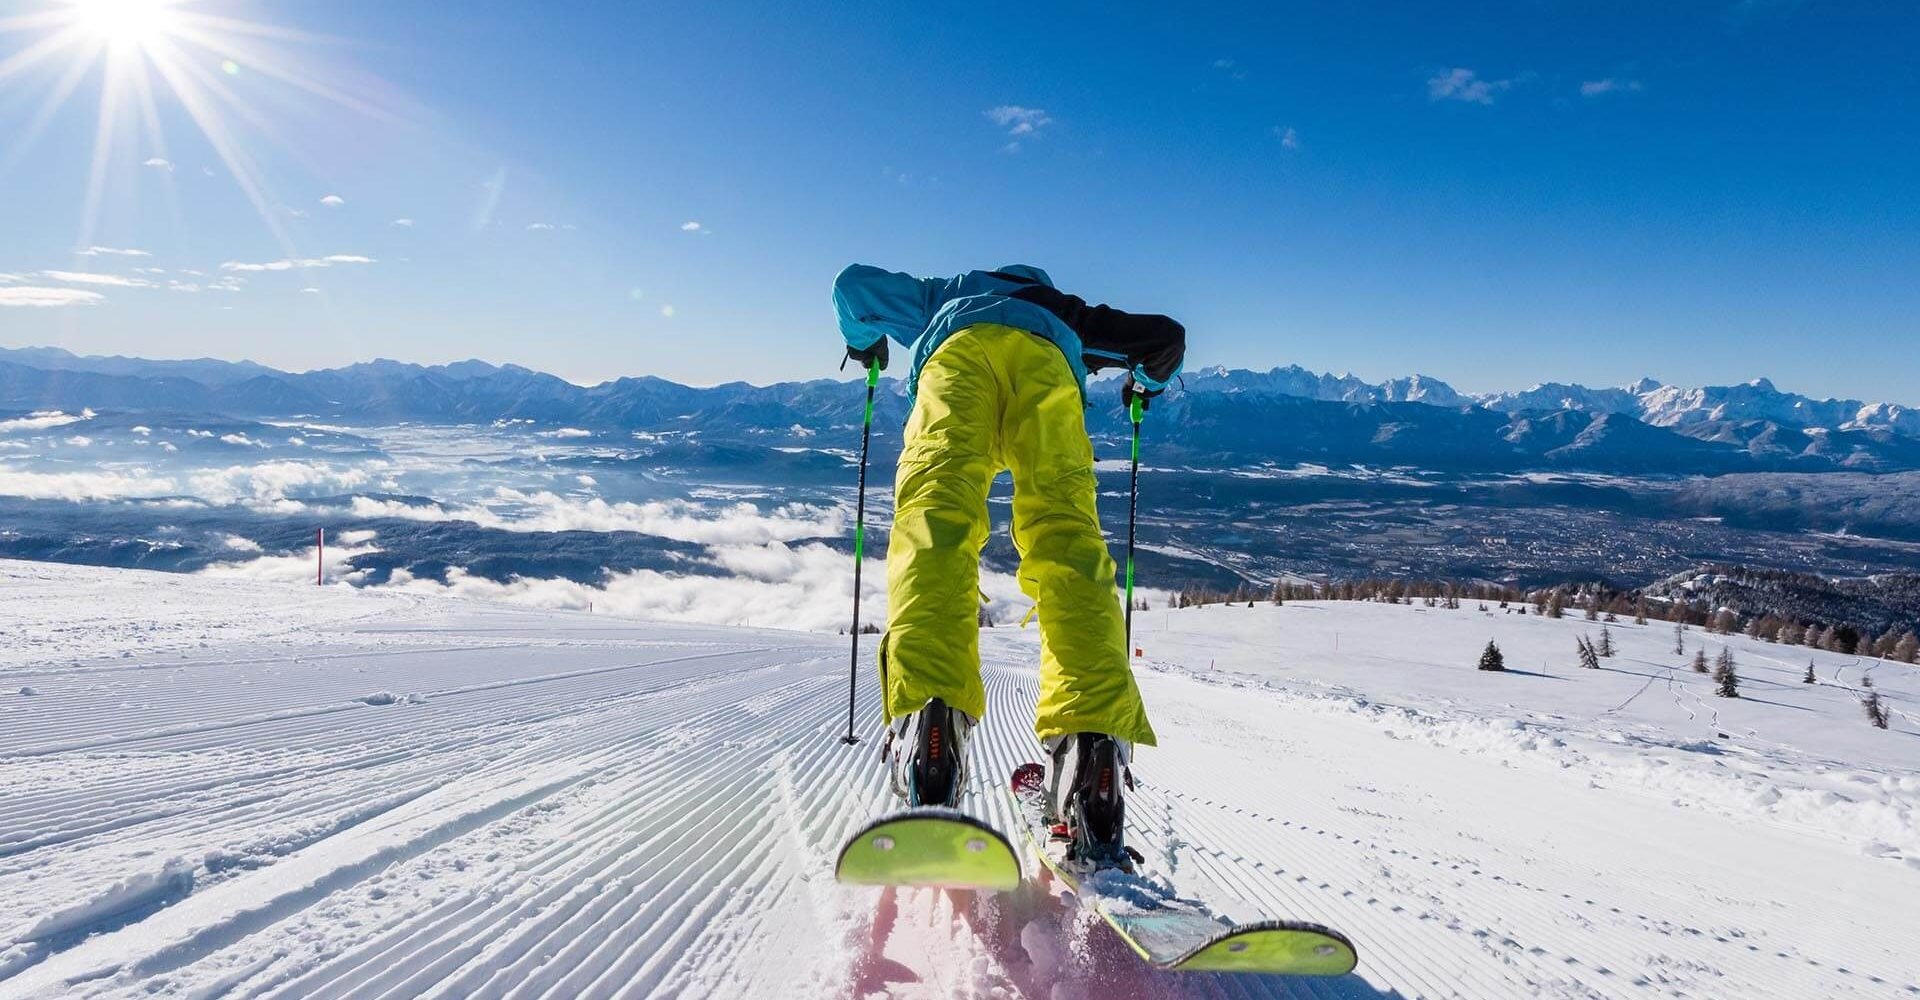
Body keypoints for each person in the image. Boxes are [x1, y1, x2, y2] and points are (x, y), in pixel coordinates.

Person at [832, 263, 1185, 863]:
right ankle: (1090, 749)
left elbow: (852, 287)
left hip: (956, 362)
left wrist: (866, 346)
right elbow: (1165, 339)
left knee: (935, 525)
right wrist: (1145, 388)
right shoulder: (1066, 311)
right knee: (1066, 544)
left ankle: (930, 724)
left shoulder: (943, 296)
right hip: (1047, 371)